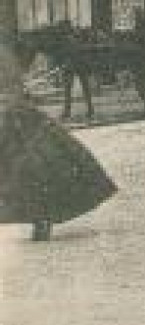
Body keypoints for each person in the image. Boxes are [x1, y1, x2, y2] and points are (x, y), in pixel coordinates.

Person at [0, 45, 117, 240]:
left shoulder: (2, 53)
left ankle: (42, 217)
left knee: (35, 167)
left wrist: (9, 104)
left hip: (12, 116)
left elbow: (13, 84)